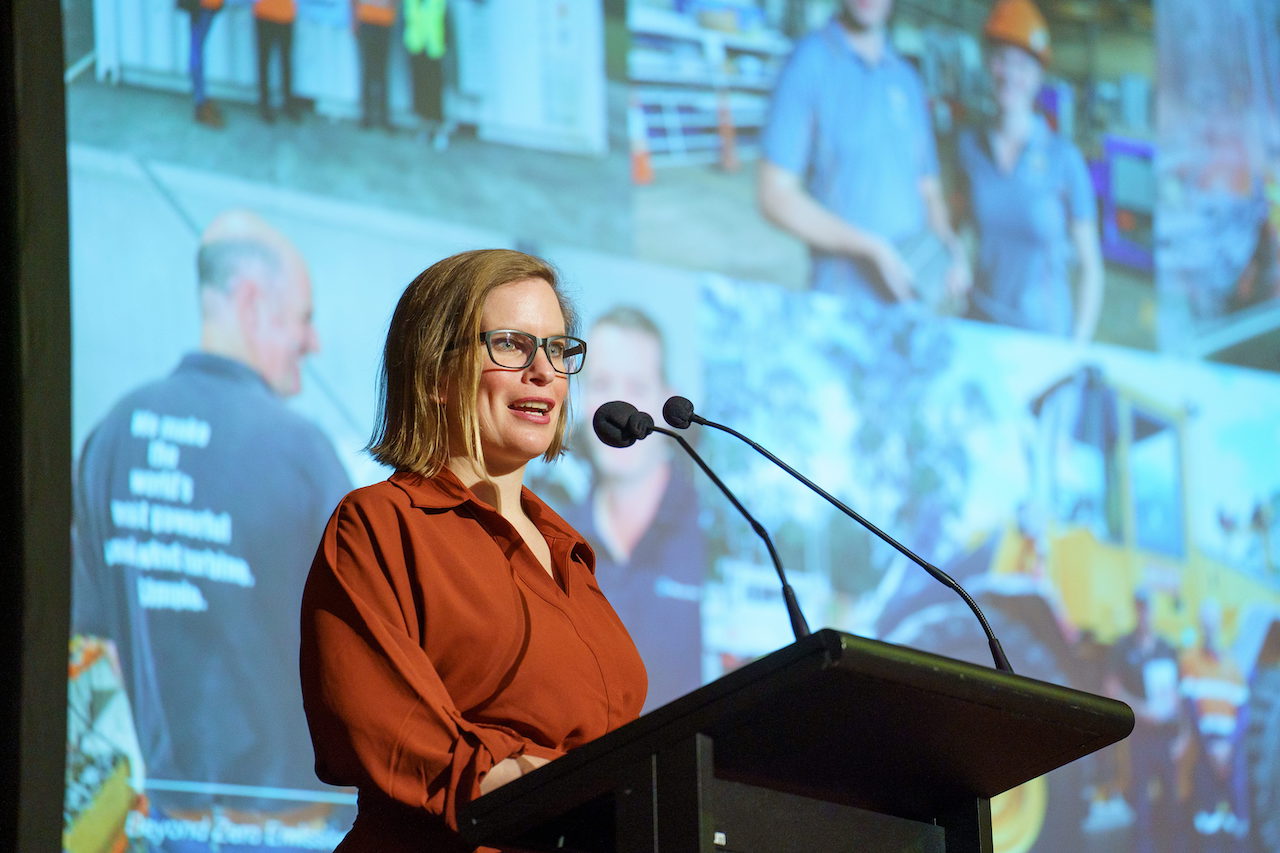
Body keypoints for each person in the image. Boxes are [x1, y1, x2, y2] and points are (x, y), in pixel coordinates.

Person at [299, 249, 647, 851]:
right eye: (512, 345)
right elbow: (386, 726)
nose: (543, 372)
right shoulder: (381, 524)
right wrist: (531, 783)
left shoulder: (568, 551)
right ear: (435, 373)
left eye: (559, 351)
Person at [71, 210, 353, 849]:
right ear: (253, 301)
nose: (314, 342)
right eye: (304, 317)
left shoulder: (113, 433)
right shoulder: (300, 451)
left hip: (172, 826)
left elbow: (102, 643)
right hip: (294, 829)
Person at [758, 0, 969, 306]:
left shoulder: (906, 79)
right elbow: (775, 197)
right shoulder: (810, 63)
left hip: (911, 296)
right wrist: (872, 248)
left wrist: (946, 242)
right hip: (843, 300)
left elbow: (928, 188)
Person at [557, 307, 705, 711]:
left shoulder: (720, 530)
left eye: (637, 386)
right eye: (602, 383)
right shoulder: (549, 534)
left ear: (665, 399)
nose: (617, 404)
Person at [955, 0, 1104, 339]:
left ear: (1039, 75)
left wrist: (1078, 343)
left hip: (1043, 334)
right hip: (979, 322)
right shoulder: (969, 147)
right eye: (1000, 59)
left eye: (1022, 64)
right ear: (988, 64)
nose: (1009, 74)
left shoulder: (1064, 160)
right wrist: (957, 261)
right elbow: (959, 228)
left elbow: (1091, 269)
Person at [1103, 589, 1184, 853]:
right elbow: (1112, 689)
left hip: (1166, 736)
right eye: (1139, 607)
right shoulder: (1123, 646)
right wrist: (1141, 709)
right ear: (1134, 610)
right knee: (1141, 802)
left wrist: (1182, 734)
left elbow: (1179, 693)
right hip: (1139, 736)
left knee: (1172, 800)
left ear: (1153, 610)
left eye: (1147, 607)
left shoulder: (1166, 648)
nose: (1143, 613)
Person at [1179, 599, 1250, 852]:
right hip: (1205, 751)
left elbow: (1243, 714)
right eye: (1205, 624)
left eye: (1213, 623)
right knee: (1206, 819)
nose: (1209, 629)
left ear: (1219, 625)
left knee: (1237, 820)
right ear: (1200, 626)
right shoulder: (1190, 662)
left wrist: (1227, 749)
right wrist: (1210, 749)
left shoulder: (1233, 666)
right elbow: (1191, 711)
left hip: (1231, 753)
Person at [404, 0, 453, 149]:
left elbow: (447, 25)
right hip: (416, 48)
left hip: (434, 51)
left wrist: (444, 46)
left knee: (435, 92)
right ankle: (424, 129)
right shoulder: (411, 2)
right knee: (420, 90)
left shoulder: (438, 2)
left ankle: (439, 131)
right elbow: (406, 22)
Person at [178, 0, 225, 127]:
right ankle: (200, 103)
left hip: (210, 7)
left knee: (198, 49)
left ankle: (201, 98)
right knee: (196, 51)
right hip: (200, 7)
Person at [352, 0, 396, 130]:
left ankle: (384, 117)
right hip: (366, 20)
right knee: (366, 71)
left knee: (383, 72)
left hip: (385, 22)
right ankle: (366, 115)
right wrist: (354, 21)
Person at [253, 0, 300, 123]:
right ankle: (265, 106)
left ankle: (288, 103)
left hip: (286, 15)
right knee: (264, 62)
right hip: (265, 14)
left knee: (286, 62)